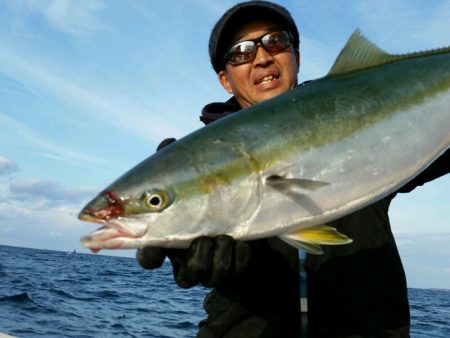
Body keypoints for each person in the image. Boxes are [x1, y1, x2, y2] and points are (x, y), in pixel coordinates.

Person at [136, 2, 450, 337]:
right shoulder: (196, 161)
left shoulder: (362, 113)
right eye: (240, 52)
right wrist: (182, 242)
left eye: (276, 41)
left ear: (295, 57)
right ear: (225, 80)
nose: (261, 57)